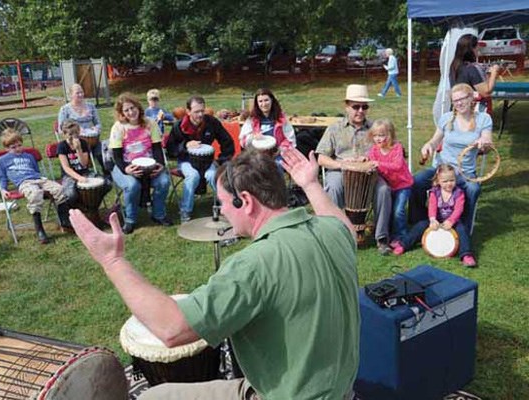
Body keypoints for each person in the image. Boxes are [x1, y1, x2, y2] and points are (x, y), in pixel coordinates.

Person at [69, 147, 360, 400]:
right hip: (340, 391)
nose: (222, 211)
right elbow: (343, 225)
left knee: (155, 397)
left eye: (221, 203)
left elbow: (171, 329)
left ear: (244, 201)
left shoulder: (255, 265)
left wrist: (112, 260)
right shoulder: (333, 231)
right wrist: (310, 184)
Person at [316, 84, 393, 254]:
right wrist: (343, 164)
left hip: (369, 174)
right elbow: (321, 157)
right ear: (346, 106)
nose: (360, 110)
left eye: (364, 106)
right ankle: (335, 235)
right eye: (355, 106)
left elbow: (390, 151)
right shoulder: (335, 129)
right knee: (333, 187)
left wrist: (371, 162)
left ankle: (381, 238)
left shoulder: (375, 129)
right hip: (340, 171)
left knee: (383, 190)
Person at [410, 83, 492, 235]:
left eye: (462, 98)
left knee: (474, 189)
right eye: (455, 100)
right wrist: (428, 145)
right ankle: (420, 222)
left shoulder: (483, 119)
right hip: (442, 170)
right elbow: (435, 140)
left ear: (471, 98)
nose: (459, 103)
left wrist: (483, 144)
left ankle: (462, 230)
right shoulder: (447, 118)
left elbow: (487, 144)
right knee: (417, 181)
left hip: (464, 173)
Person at [109, 93, 172, 234]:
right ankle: (130, 219)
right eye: (126, 110)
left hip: (150, 165)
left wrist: (160, 165)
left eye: (133, 108)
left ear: (138, 106)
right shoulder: (118, 127)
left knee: (163, 181)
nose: (131, 112)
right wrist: (126, 170)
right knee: (132, 185)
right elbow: (117, 156)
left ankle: (159, 214)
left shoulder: (150, 123)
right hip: (125, 166)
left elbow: (157, 148)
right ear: (122, 113)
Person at [167, 95, 235, 223]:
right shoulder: (179, 126)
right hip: (186, 161)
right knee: (193, 176)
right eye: (196, 111)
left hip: (208, 161)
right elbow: (170, 149)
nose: (200, 114)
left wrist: (220, 160)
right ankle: (185, 211)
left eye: (202, 111)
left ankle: (227, 206)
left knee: (213, 175)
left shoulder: (212, 122)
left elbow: (227, 142)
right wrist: (185, 146)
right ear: (188, 111)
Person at [0, 128, 71, 244]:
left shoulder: (29, 156)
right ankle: (39, 229)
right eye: (13, 147)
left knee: (59, 189)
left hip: (38, 179)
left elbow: (36, 171)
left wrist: (42, 183)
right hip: (24, 182)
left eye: (19, 145)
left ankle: (64, 220)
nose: (17, 149)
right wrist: (3, 189)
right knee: (35, 194)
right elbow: (2, 177)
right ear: (6, 148)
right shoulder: (3, 160)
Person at [393, 164, 476, 267]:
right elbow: (432, 207)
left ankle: (466, 254)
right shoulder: (435, 192)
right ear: (438, 181)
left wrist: (451, 221)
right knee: (420, 226)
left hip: (453, 222)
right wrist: (432, 219)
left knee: (462, 230)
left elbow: (458, 209)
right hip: (437, 220)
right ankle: (404, 244)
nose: (449, 184)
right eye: (445, 181)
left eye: (452, 180)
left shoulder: (459, 193)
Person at [366, 119, 413, 243]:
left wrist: (378, 163)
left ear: (390, 135)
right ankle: (390, 232)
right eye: (375, 136)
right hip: (390, 185)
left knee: (398, 210)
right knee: (390, 210)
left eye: (381, 135)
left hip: (403, 185)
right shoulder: (374, 150)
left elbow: (397, 166)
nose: (378, 139)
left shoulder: (396, 148)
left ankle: (401, 236)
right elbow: (371, 162)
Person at [239, 88, 296, 168]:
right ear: (257, 103)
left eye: (266, 100)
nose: (264, 104)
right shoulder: (252, 120)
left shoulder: (281, 119)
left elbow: (291, 140)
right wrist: (252, 137)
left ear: (272, 100)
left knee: (276, 165)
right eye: (260, 101)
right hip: (256, 155)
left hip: (277, 155)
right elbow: (242, 141)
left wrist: (281, 150)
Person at [57, 83, 105, 172]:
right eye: (77, 93)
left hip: (92, 139)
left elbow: (98, 123)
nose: (81, 95)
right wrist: (74, 133)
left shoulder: (91, 106)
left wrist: (96, 129)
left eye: (82, 92)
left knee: (102, 151)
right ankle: (85, 168)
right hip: (74, 140)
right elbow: (61, 129)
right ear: (71, 95)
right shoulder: (65, 109)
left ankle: (106, 173)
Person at [450, 34, 500, 112]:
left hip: (458, 106)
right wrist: (494, 73)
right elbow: (486, 92)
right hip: (471, 110)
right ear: (471, 49)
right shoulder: (471, 69)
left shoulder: (454, 66)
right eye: (477, 48)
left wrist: (487, 75)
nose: (478, 50)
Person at [57, 120, 92, 207]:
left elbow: (84, 164)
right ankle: (76, 210)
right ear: (64, 135)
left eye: (76, 133)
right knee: (71, 193)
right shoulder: (62, 146)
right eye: (70, 134)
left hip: (84, 172)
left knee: (104, 185)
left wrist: (78, 149)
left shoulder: (83, 143)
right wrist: (79, 178)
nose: (74, 136)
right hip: (69, 176)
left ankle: (92, 209)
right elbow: (66, 168)